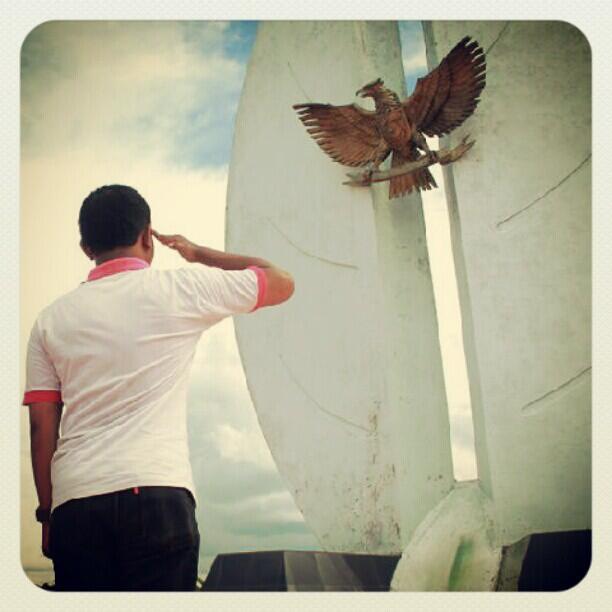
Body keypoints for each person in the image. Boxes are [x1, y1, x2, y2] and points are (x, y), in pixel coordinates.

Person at [23, 184, 294, 591]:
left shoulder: (49, 321)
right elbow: (282, 281)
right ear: (148, 236)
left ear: (85, 247)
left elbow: (42, 428)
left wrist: (48, 514)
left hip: (75, 504)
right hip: (156, 495)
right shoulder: (182, 289)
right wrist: (199, 253)